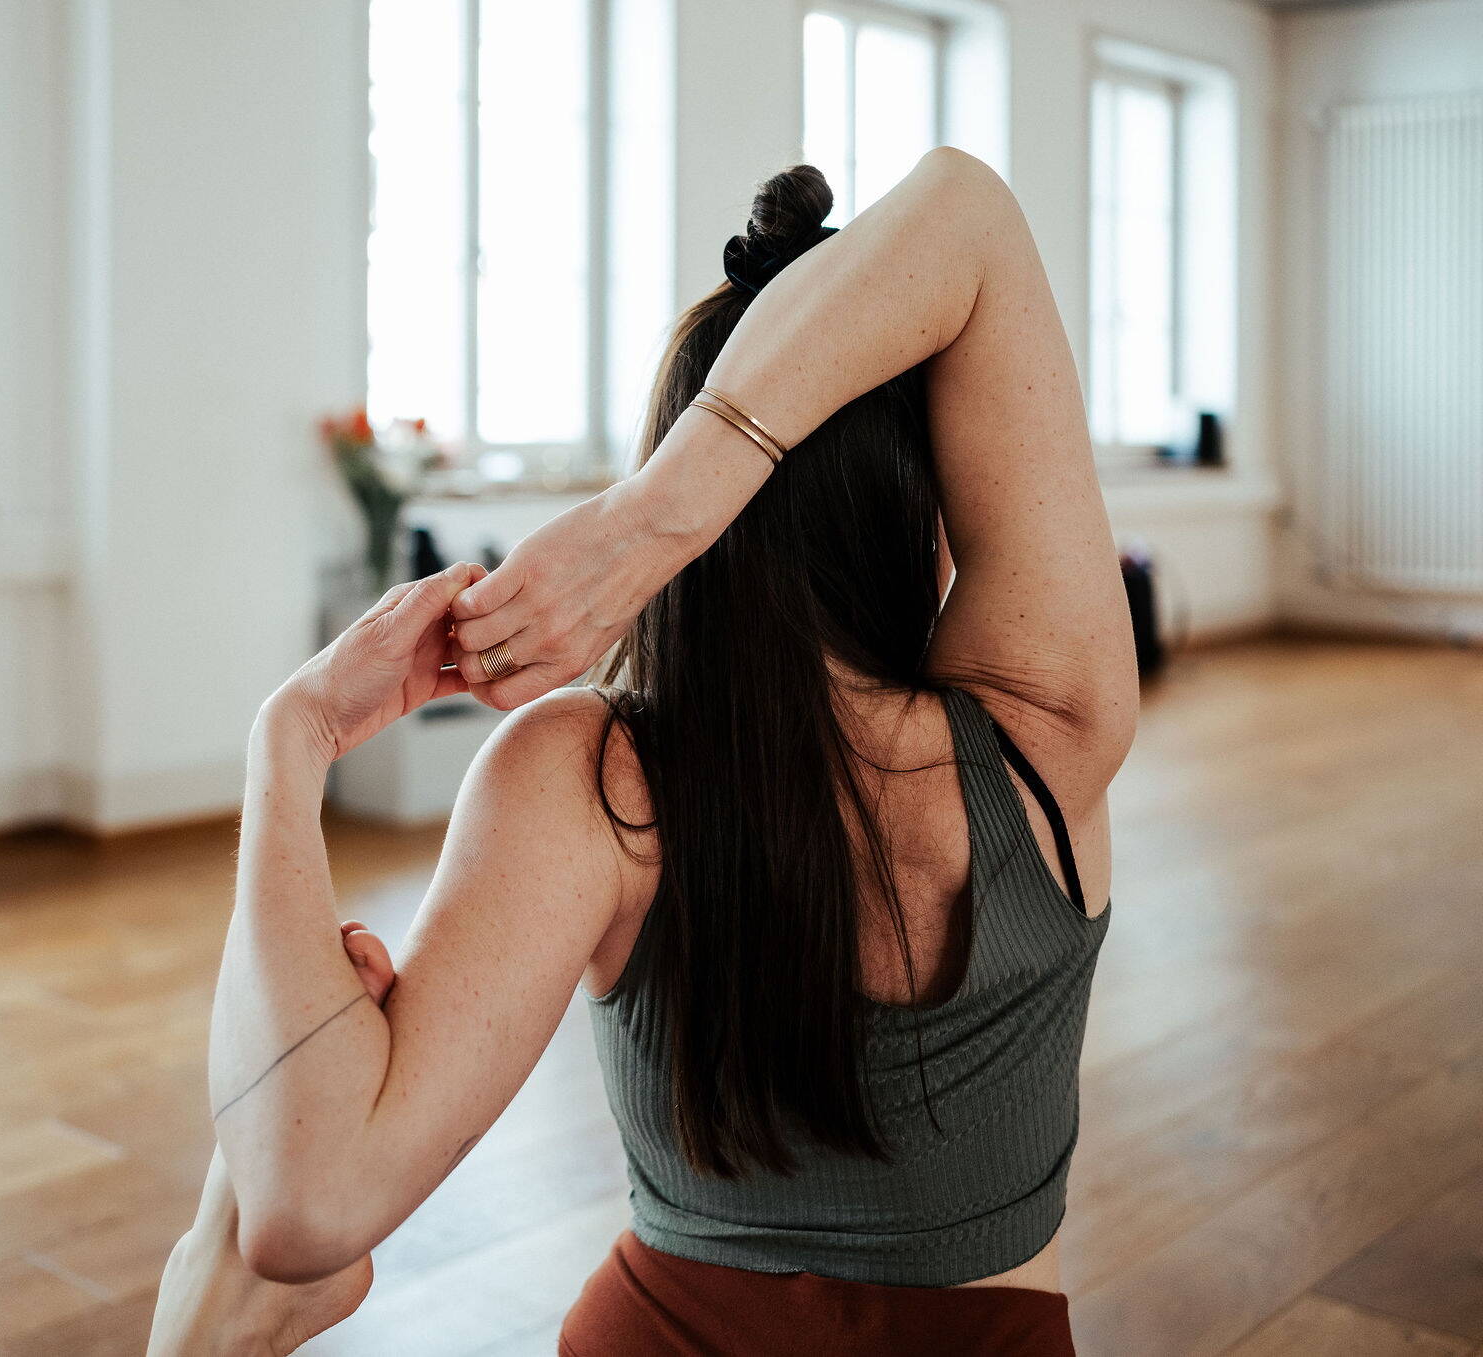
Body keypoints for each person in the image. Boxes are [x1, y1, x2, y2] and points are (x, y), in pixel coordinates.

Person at [149, 145, 1136, 1354]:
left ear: (692, 518)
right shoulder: (1047, 734)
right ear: (924, 513)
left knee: (224, 1282)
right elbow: (969, 214)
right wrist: (661, 508)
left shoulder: (588, 781)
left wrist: (289, 741)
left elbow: (305, 1210)